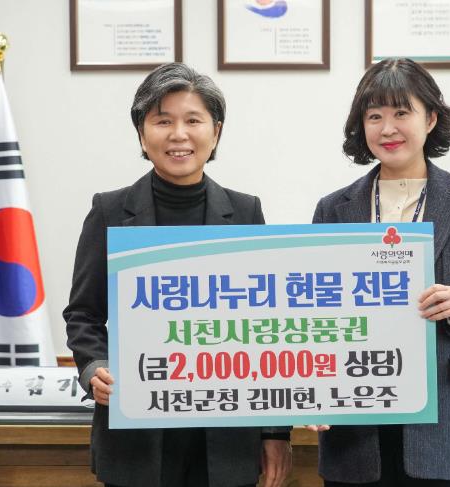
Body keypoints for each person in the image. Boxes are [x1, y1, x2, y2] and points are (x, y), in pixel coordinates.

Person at [64, 63, 292, 487]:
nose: (179, 134)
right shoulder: (109, 212)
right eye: (163, 121)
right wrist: (95, 367)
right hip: (136, 435)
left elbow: (268, 328)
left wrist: (275, 433)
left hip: (226, 438)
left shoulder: (246, 213)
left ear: (216, 132)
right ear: (142, 133)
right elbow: (84, 315)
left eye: (193, 120)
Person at [310, 58, 450, 486]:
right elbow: (315, 313)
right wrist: (314, 389)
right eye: (374, 116)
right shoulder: (333, 209)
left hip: (445, 423)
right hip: (355, 422)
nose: (387, 128)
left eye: (401, 113)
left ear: (430, 119)